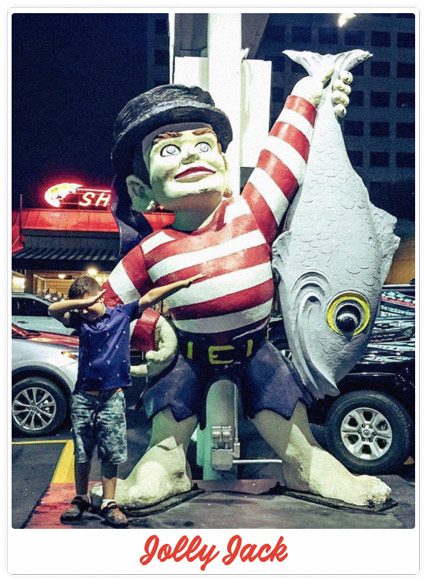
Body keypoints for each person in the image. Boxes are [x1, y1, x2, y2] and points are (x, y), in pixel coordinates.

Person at [99, 70, 391, 509]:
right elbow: (107, 309)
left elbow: (283, 158)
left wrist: (307, 94)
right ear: (142, 190)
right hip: (187, 359)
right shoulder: (150, 253)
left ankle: (305, 471)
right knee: (164, 448)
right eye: (168, 150)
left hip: (257, 353)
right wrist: (152, 329)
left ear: (221, 161)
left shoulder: (251, 213)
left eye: (203, 144)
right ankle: (167, 472)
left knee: (300, 445)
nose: (189, 156)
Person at [48, 273, 201, 527]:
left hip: (112, 398)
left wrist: (181, 284)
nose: (85, 312)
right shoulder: (80, 320)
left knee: (111, 452)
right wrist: (81, 304)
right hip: (84, 397)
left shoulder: (120, 315)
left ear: (102, 297)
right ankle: (81, 497)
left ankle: (109, 502)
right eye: (81, 308)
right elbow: (53, 309)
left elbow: (150, 297)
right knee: (82, 451)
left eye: (90, 305)